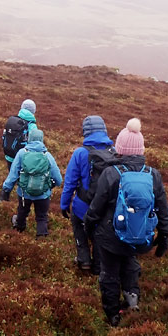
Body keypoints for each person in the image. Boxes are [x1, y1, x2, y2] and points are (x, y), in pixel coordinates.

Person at [84, 118, 168, 327]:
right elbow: (163, 208)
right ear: (141, 150)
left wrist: (89, 229)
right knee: (130, 263)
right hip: (140, 235)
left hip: (110, 236)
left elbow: (96, 208)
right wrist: (165, 235)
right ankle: (132, 301)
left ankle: (113, 316)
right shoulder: (153, 175)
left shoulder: (110, 173)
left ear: (120, 149)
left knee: (109, 273)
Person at [60, 115, 114, 273]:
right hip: (105, 209)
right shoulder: (114, 152)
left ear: (86, 131)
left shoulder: (80, 153)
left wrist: (64, 204)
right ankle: (98, 266)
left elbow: (70, 182)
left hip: (82, 206)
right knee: (99, 234)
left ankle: (84, 261)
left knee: (79, 229)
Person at [1, 129, 62, 239]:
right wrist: (52, 185)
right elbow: (58, 178)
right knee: (42, 217)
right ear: (41, 139)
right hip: (43, 194)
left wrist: (6, 190)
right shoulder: (47, 155)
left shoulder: (21, 153)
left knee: (22, 212)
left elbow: (13, 174)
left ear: (29, 138)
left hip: (24, 193)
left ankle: (19, 231)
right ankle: (41, 236)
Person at [2, 99, 38, 171]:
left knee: (12, 177)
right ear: (33, 110)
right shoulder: (32, 126)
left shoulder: (12, 121)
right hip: (22, 159)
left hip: (9, 156)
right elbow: (35, 145)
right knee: (22, 180)